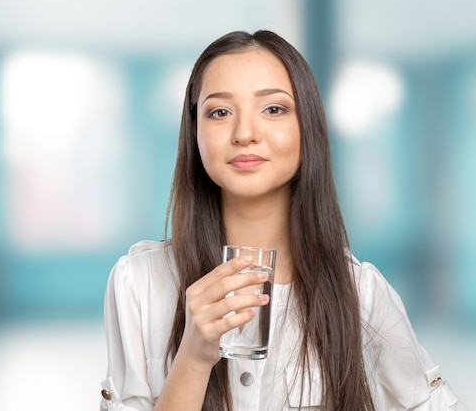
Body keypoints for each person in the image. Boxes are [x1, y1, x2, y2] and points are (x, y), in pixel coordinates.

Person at [99, 30, 466, 411]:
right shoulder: (138, 283)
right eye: (220, 112)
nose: (244, 133)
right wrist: (193, 355)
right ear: (194, 133)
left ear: (307, 127)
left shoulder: (360, 294)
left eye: (273, 109)